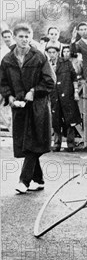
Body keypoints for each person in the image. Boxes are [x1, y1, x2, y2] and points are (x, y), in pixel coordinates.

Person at [0, 23, 55, 194]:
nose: (25, 39)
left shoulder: (39, 56)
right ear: (14, 38)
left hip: (38, 106)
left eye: (27, 36)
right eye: (21, 36)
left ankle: (24, 181)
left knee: (33, 142)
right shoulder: (7, 60)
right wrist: (8, 96)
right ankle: (38, 179)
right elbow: (3, 83)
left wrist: (34, 91)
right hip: (19, 106)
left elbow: (49, 81)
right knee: (26, 143)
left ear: (31, 37)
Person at [48, 45, 81, 152]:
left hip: (67, 94)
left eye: (54, 52)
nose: (52, 54)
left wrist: (76, 91)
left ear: (58, 53)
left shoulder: (66, 63)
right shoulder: (46, 65)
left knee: (69, 118)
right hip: (54, 95)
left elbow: (74, 77)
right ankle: (57, 143)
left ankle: (71, 144)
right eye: (50, 52)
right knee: (56, 119)